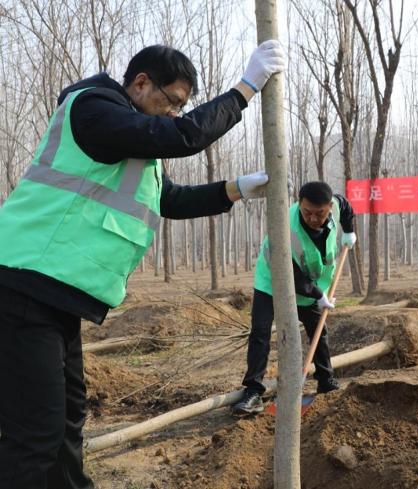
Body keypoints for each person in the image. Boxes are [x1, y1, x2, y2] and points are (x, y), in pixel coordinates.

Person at [0, 41, 286, 489]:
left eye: (180, 107)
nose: (174, 113)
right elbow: (183, 136)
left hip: (55, 297)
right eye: (170, 101)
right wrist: (244, 90)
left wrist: (234, 189)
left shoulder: (131, 136)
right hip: (21, 284)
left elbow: (167, 199)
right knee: (36, 433)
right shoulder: (93, 108)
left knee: (69, 420)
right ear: (139, 83)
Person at [232, 181, 356, 416]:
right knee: (260, 331)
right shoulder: (284, 226)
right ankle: (253, 392)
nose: (312, 218)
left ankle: (325, 380)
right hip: (272, 280)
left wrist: (348, 231)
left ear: (329, 207)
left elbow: (347, 207)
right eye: (307, 212)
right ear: (299, 204)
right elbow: (287, 270)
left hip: (313, 284)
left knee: (319, 329)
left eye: (320, 213)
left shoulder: (336, 206)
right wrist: (318, 295)